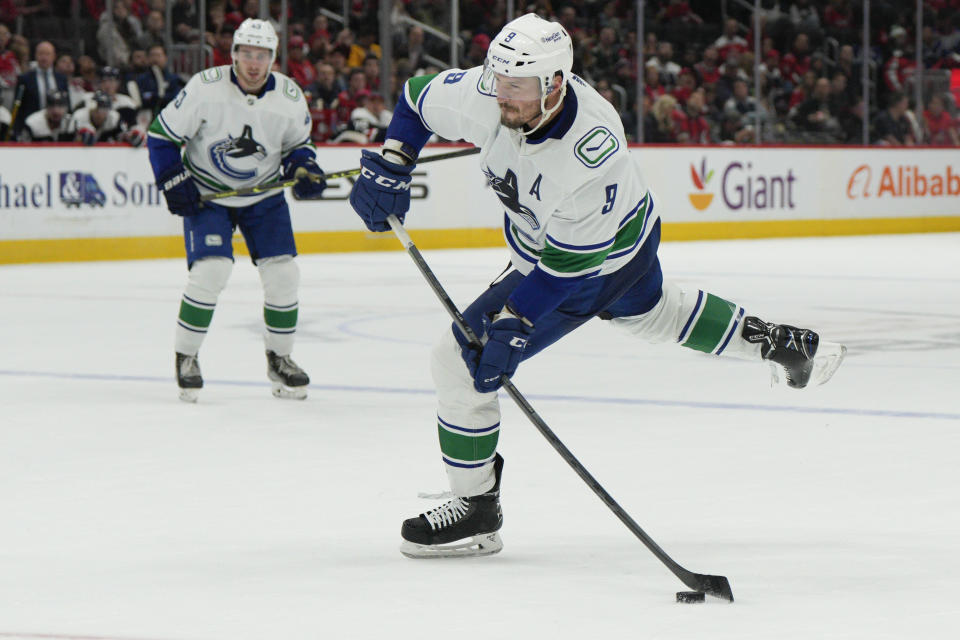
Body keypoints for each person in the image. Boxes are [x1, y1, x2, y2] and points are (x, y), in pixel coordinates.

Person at [347, 13, 847, 558]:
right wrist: (396, 161)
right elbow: (418, 98)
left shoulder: (590, 154)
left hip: (587, 264)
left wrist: (515, 323)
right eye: (498, 81)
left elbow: (564, 271)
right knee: (658, 313)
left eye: (515, 88)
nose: (499, 96)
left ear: (555, 84)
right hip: (631, 244)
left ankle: (476, 509)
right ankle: (778, 342)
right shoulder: (491, 91)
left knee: (458, 362)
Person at [146, 18, 326, 403]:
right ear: (233, 55)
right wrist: (173, 179)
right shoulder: (204, 88)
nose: (253, 63)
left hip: (263, 197)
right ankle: (187, 356)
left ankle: (280, 358)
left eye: (261, 55)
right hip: (208, 195)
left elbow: (299, 146)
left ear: (273, 58)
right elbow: (161, 136)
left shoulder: (290, 97)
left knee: (283, 275)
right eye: (246, 53)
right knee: (211, 271)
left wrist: (303, 168)